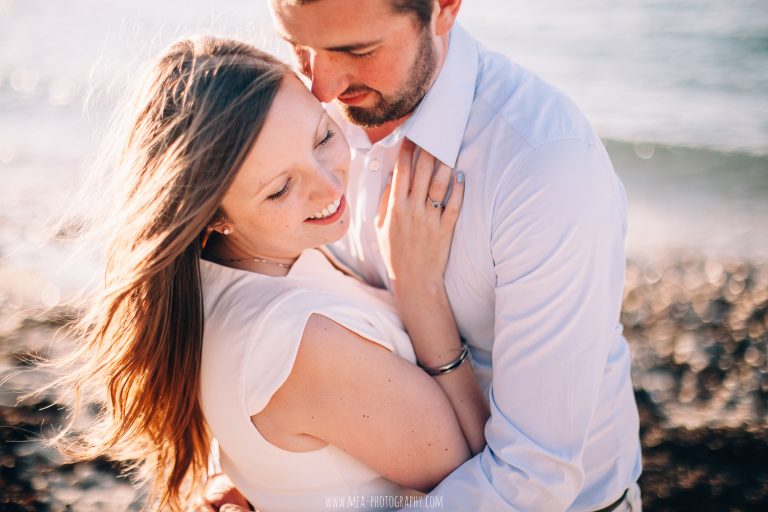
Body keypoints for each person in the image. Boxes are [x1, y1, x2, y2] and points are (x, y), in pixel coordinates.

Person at [208, 0, 643, 510]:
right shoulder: (307, 113)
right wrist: (264, 472)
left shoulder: (544, 170)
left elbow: (531, 481)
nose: (322, 87)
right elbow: (256, 280)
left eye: (358, 50)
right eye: (298, 46)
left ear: (445, 9)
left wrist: (423, 296)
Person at [46, 36, 490, 510]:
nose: (330, 184)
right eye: (280, 189)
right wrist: (419, 288)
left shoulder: (206, 274)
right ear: (212, 214)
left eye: (322, 136)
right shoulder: (297, 343)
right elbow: (476, 477)